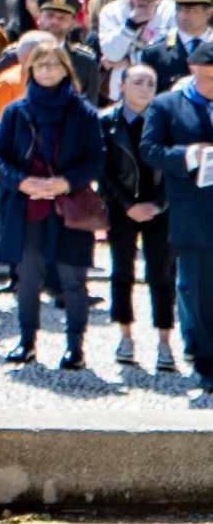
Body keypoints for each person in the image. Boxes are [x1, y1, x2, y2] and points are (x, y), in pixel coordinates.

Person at [0, 35, 105, 370]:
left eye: (54, 64)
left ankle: (75, 347)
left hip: (69, 205)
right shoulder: (16, 111)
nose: (47, 70)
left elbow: (96, 158)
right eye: (41, 64)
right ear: (30, 70)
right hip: (29, 206)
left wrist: (65, 182)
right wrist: (23, 182)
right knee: (28, 276)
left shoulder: (83, 112)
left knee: (72, 278)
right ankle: (26, 341)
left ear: (66, 69)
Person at [139, 38, 213, 394]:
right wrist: (187, 155)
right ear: (194, 71)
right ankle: (203, 355)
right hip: (192, 209)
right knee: (194, 287)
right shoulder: (168, 105)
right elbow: (150, 149)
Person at [100, 63, 180, 372]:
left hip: (160, 207)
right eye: (137, 82)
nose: (144, 89)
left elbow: (177, 167)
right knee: (121, 271)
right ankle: (125, 335)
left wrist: (159, 204)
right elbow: (102, 170)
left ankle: (164, 340)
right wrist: (125, 204)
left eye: (150, 83)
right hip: (122, 208)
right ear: (122, 85)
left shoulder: (167, 122)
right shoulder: (106, 121)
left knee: (161, 274)